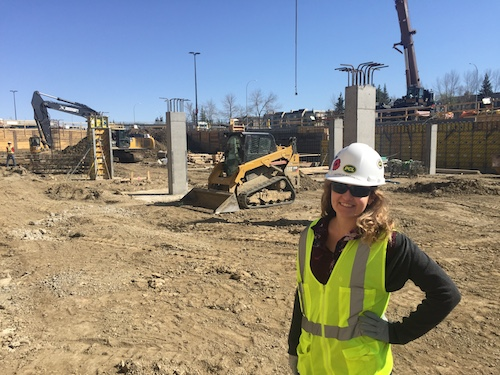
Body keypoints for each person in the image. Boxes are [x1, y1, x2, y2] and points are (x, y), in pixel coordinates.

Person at [287, 142, 461, 374]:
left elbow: (446, 294)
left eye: (359, 190)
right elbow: (303, 297)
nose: (347, 196)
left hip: (362, 368)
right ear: (330, 189)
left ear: (372, 196)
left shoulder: (388, 245)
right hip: (313, 365)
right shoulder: (309, 236)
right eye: (340, 186)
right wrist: (293, 349)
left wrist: (396, 333)